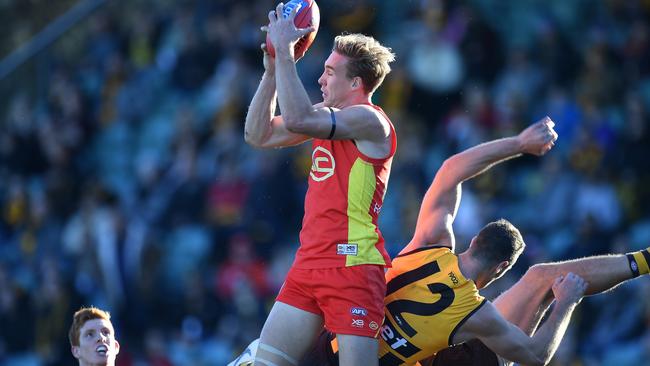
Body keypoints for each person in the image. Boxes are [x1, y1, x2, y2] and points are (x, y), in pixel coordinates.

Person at [231, 117, 650, 365]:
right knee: (543, 279)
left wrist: (519, 143)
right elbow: (536, 356)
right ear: (501, 269)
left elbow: (451, 169)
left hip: (326, 346)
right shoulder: (475, 312)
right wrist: (566, 305)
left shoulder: (428, 247)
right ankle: (644, 261)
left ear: (472, 241)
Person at [244, 2, 397, 365]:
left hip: (353, 268)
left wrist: (284, 52)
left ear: (356, 83)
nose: (320, 79)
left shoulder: (370, 121)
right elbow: (257, 135)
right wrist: (270, 72)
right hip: (310, 263)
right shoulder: (325, 118)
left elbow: (296, 118)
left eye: (329, 72)